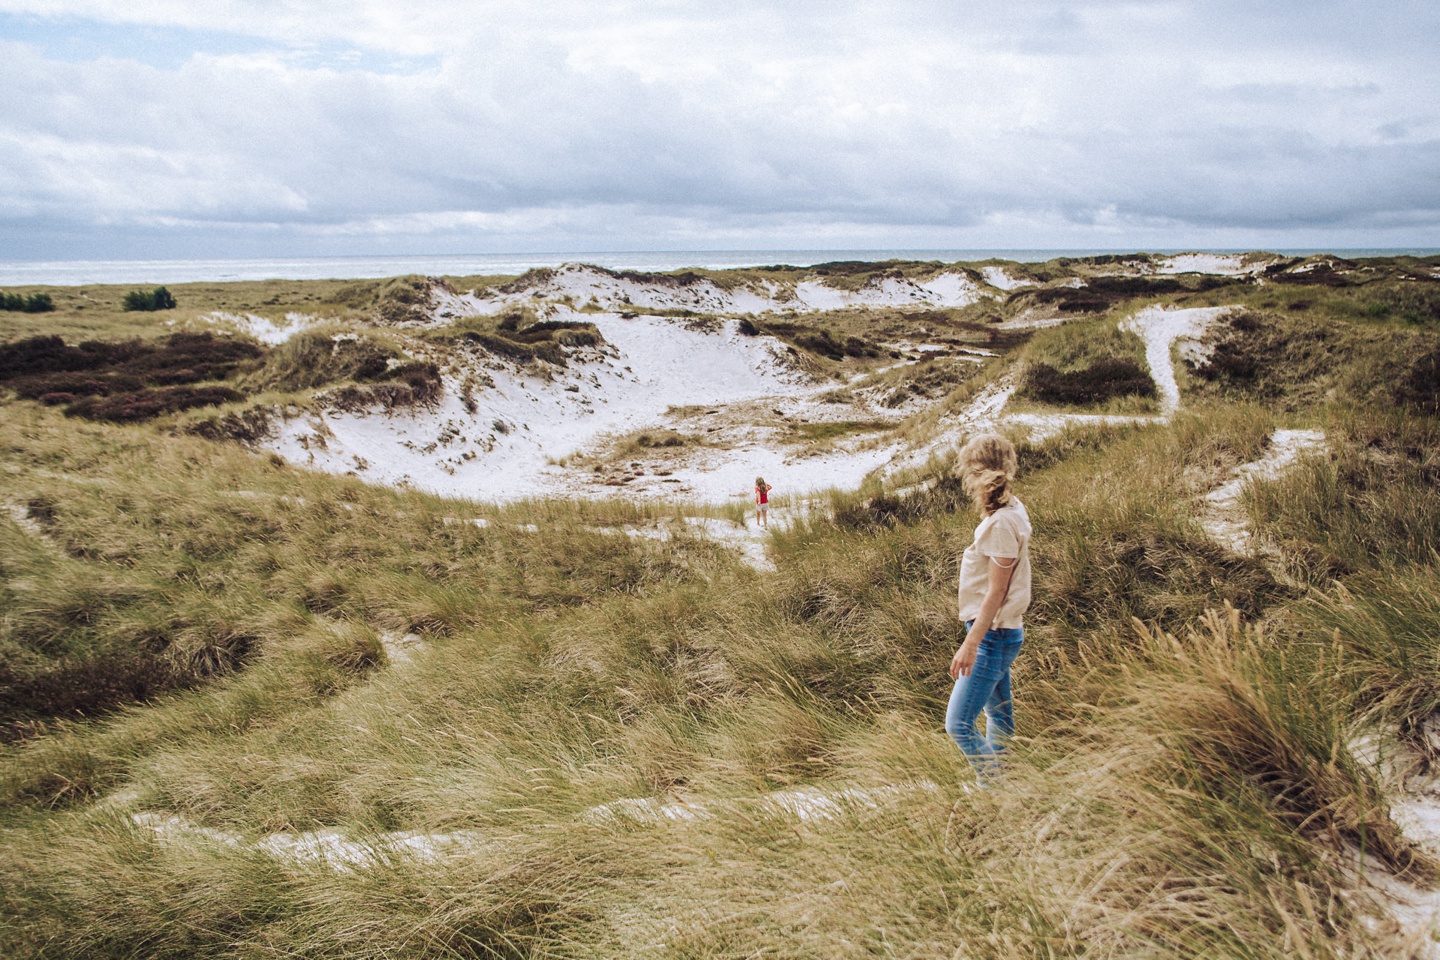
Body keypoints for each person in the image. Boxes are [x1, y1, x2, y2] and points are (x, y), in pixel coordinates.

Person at [946, 433, 1032, 784]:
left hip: (991, 637)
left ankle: (996, 786)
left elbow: (997, 591)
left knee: (958, 724)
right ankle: (1000, 784)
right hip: (999, 633)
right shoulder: (1011, 508)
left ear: (975, 472)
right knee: (999, 717)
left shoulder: (1000, 524)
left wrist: (971, 645)